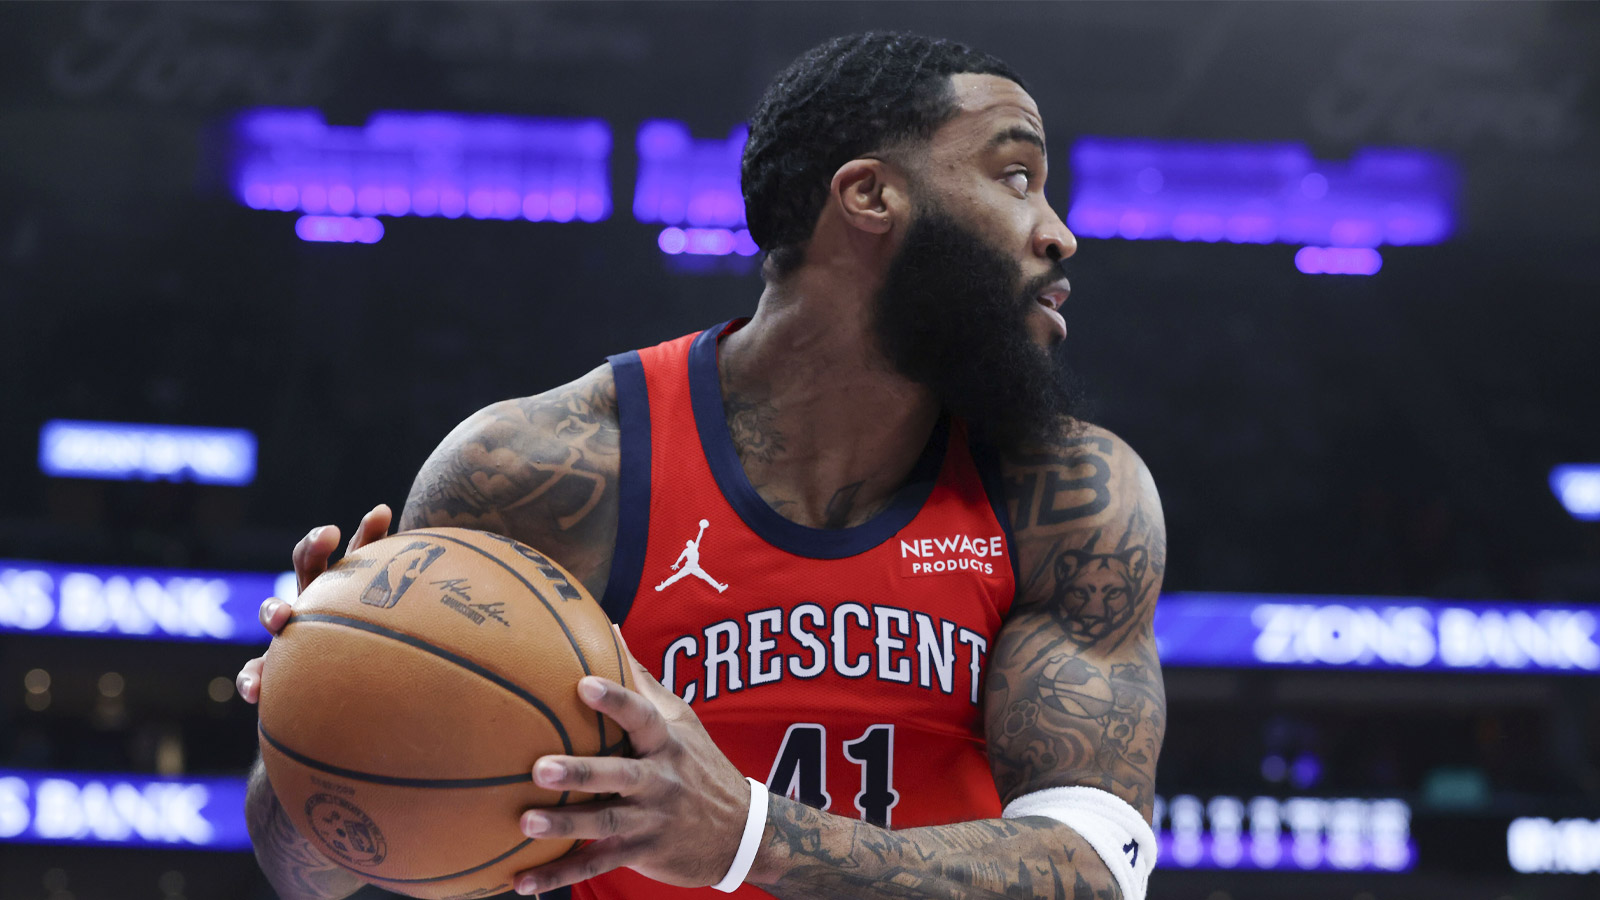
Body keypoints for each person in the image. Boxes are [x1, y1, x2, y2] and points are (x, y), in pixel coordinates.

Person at [236, 31, 1167, 900]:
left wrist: (747, 836)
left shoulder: (1067, 494)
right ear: (871, 195)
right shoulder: (544, 469)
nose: (1058, 234)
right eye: (1016, 177)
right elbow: (314, 866)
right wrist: (327, 699)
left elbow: (1099, 865)